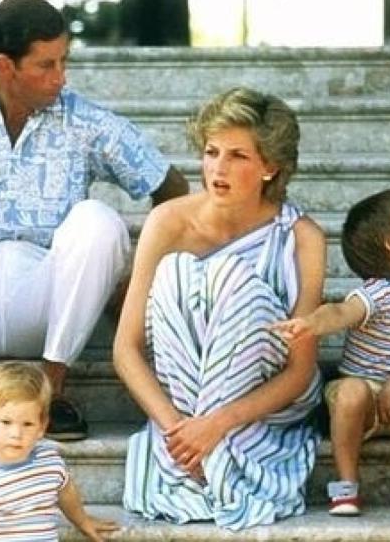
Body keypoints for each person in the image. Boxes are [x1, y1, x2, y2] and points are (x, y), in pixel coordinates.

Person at [0, 0, 189, 442]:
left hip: (46, 303)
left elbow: (173, 189)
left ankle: (51, 388)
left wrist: (142, 275)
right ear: (5, 66)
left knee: (99, 220)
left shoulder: (84, 120)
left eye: (64, 61)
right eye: (46, 65)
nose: (60, 77)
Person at [113, 88, 324, 530]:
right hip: (182, 407)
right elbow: (127, 349)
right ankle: (204, 459)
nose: (218, 169)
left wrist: (218, 424)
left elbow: (300, 371)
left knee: (229, 278)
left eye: (238, 156)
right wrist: (179, 432)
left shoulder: (302, 237)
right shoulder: (167, 221)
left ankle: (211, 456)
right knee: (176, 275)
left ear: (270, 167)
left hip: (265, 397)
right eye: (211, 152)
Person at [272, 188, 390, 516]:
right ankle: (347, 485)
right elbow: (340, 313)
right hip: (365, 400)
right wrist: (310, 323)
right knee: (350, 392)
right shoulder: (378, 292)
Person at [0, 362, 118, 541]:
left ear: (42, 427)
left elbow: (66, 491)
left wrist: (82, 521)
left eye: (27, 424)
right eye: (6, 422)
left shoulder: (50, 462)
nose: (16, 434)